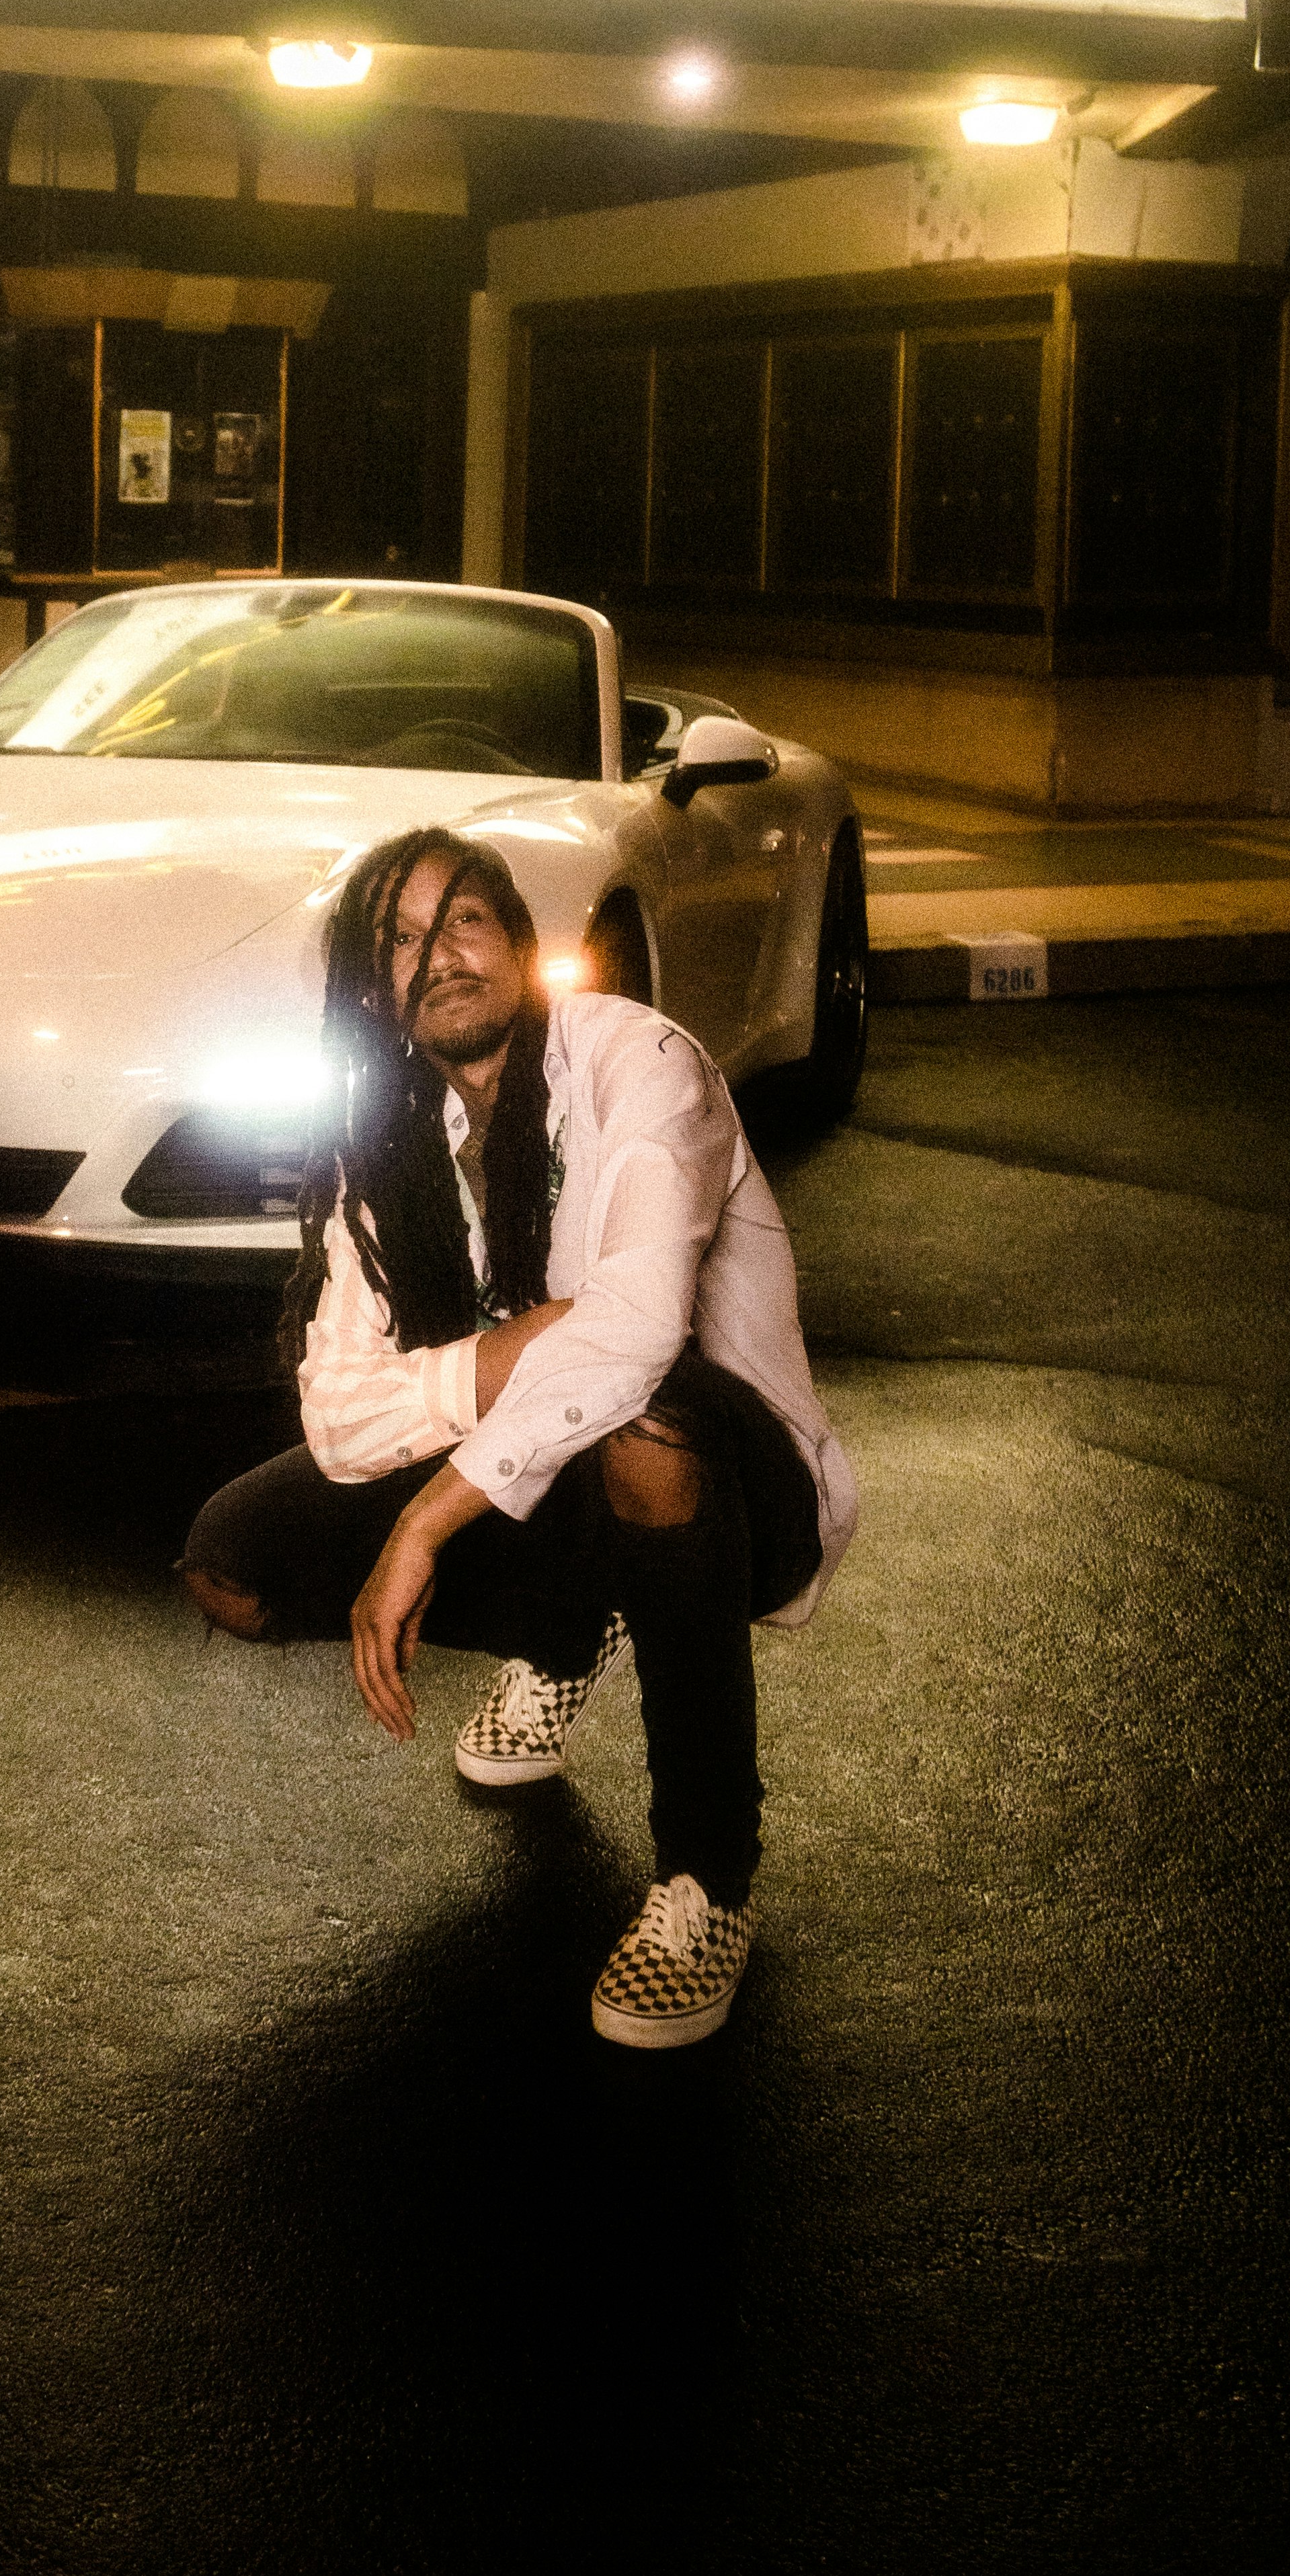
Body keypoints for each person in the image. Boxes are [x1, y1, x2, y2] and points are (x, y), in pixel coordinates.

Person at [177, 828, 853, 2047]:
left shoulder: (642, 1064)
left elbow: (636, 1330)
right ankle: (568, 1629)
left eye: (464, 920)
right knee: (232, 1559)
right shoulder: (384, 1135)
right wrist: (520, 1342)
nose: (436, 956)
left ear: (524, 944)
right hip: (551, 1474)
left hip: (732, 1487)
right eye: (399, 940)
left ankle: (709, 1873)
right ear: (372, 986)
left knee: (641, 1421)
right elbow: (337, 1414)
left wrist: (427, 1524)